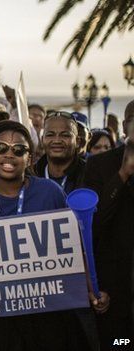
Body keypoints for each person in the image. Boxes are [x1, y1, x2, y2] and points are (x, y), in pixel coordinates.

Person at [0, 120, 108, 351]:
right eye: (0, 148)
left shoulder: (50, 192)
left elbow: (72, 247)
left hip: (45, 316)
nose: (9, 155)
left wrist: (92, 289)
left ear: (30, 158)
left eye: (19, 150)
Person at [84, 100, 134, 350]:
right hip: (115, 291)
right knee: (120, 344)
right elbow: (93, 222)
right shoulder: (99, 164)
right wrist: (122, 176)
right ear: (125, 126)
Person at [33, 111, 86, 194]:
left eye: (65, 135)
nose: (57, 141)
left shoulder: (90, 175)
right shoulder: (30, 174)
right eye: (50, 135)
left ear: (77, 142)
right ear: (42, 140)